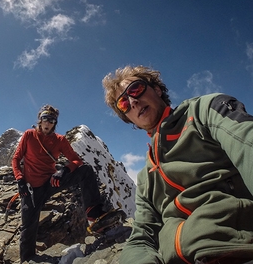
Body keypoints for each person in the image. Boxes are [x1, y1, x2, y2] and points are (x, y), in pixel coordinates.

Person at [102, 65, 253, 264]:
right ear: (128, 118)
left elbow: (247, 143)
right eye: (123, 103)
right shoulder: (146, 177)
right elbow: (141, 237)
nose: (132, 101)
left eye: (135, 89)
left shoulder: (203, 112)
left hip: (234, 250)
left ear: (156, 89)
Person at [12, 104, 125, 262]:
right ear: (40, 119)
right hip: (30, 189)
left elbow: (76, 160)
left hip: (51, 182)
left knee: (85, 171)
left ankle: (95, 217)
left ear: (55, 123)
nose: (48, 122)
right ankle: (27, 259)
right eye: (45, 118)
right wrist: (20, 180)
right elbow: (16, 159)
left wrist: (63, 171)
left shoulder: (59, 140)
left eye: (52, 120)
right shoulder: (29, 135)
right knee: (28, 227)